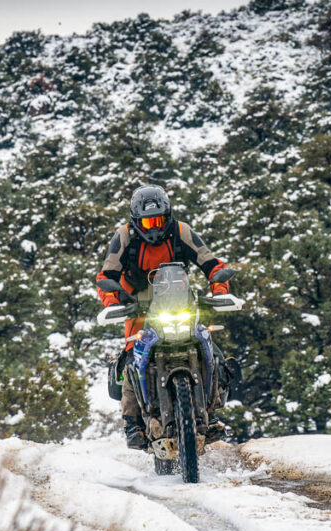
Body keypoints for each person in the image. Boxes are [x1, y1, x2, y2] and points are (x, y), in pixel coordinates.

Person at [95, 184, 231, 450]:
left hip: (179, 299)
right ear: (136, 220)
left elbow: (212, 263)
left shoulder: (182, 231)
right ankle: (132, 423)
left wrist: (218, 288)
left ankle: (212, 411)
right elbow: (105, 276)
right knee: (131, 356)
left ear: (167, 216)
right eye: (147, 221)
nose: (154, 227)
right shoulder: (123, 236)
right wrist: (114, 301)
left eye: (158, 220)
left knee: (209, 347)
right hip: (138, 304)